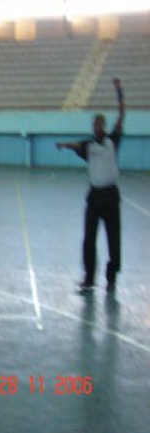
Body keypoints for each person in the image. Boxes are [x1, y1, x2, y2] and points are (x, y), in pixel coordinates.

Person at [56, 78, 125, 292]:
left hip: (111, 196)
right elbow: (77, 144)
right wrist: (64, 145)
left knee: (114, 238)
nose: (96, 128)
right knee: (89, 239)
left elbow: (122, 115)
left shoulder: (113, 140)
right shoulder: (89, 145)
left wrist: (119, 91)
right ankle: (88, 278)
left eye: (99, 125)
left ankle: (111, 277)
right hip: (94, 197)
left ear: (104, 126)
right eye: (94, 125)